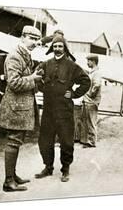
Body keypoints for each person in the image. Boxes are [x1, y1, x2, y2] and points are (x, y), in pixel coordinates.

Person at [35, 35, 90, 182]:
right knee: (45, 140)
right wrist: (41, 86)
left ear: (65, 48)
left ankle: (65, 169)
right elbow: (37, 79)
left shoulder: (72, 67)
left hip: (64, 111)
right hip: (48, 110)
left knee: (66, 141)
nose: (57, 49)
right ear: (51, 48)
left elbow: (86, 81)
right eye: (55, 46)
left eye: (60, 46)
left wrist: (73, 93)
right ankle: (48, 167)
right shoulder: (45, 64)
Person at [0, 25, 43, 192]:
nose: (34, 43)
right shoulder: (15, 56)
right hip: (15, 107)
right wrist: (33, 78)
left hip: (20, 106)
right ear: (22, 37)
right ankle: (8, 181)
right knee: (13, 141)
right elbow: (14, 83)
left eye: (36, 40)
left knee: (16, 141)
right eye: (31, 38)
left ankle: (12, 175)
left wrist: (34, 76)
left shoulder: (25, 55)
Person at [81, 54, 102, 148]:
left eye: (88, 61)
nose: (87, 63)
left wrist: (90, 95)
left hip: (91, 101)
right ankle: (88, 140)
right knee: (87, 121)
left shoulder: (96, 73)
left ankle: (92, 141)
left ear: (93, 61)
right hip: (88, 100)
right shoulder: (92, 72)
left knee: (91, 121)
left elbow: (96, 85)